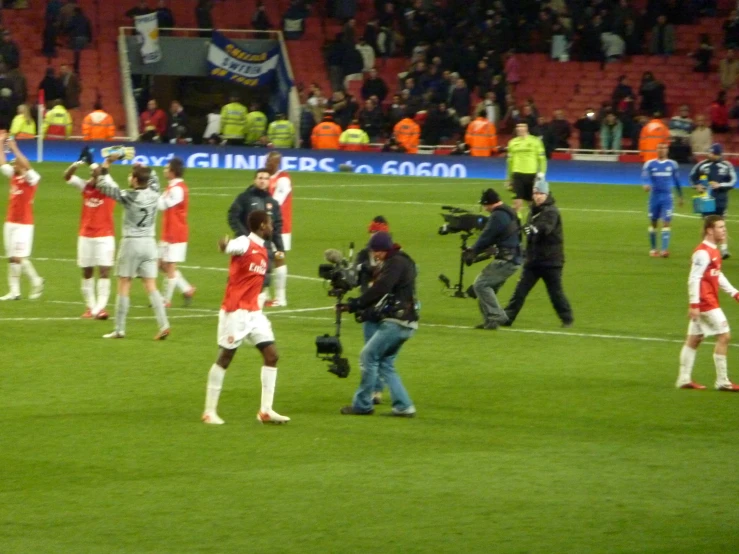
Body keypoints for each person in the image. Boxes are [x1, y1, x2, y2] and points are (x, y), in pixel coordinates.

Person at [201, 210, 290, 425]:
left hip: (253, 313)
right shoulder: (245, 243)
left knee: (272, 355)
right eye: (269, 224)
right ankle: (209, 411)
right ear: (261, 226)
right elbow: (232, 246)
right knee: (225, 358)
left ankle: (266, 411)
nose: (272, 227)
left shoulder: (263, 250)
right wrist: (225, 245)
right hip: (235, 312)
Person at [339, 231, 418, 417]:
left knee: (368, 356)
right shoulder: (400, 260)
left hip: (397, 321)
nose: (374, 254)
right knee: (384, 363)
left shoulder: (396, 262)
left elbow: (382, 288)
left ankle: (363, 405)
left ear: (384, 249)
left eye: (376, 251)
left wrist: (356, 303)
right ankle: (404, 407)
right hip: (407, 321)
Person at [95, 154, 170, 340]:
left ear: (136, 180)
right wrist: (142, 166)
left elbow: (103, 185)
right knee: (151, 285)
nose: (129, 178)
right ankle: (164, 324)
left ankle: (119, 329)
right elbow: (154, 177)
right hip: (149, 244)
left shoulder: (128, 196)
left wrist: (108, 163)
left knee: (124, 283)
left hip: (131, 243)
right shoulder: (154, 192)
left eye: (131, 175)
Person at [676, 215, 739, 392]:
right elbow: (693, 278)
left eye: (724, 227)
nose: (724, 230)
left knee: (695, 339)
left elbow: (717, 275)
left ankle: (683, 379)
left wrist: (734, 292)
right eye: (720, 227)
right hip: (705, 303)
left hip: (707, 301)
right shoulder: (703, 253)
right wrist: (694, 305)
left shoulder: (714, 251)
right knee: (724, 336)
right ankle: (722, 382)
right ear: (709, 230)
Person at [503, 178, 573, 327]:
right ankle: (507, 318)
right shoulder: (533, 211)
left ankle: (567, 318)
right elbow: (530, 232)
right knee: (520, 292)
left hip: (551, 261)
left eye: (540, 193)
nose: (537, 196)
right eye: (535, 193)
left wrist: (532, 229)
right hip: (533, 261)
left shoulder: (552, 211)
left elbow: (544, 229)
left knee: (555, 293)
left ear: (546, 194)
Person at [63, 153, 115, 318]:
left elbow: (101, 175)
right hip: (85, 235)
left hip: (105, 236)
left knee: (105, 271)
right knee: (87, 272)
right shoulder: (85, 187)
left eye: (94, 176)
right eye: (91, 176)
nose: (92, 178)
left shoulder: (109, 187)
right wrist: (77, 163)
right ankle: (91, 307)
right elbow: (67, 176)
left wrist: (93, 165)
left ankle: (100, 308)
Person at [465, 188, 522, 330]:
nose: (484, 209)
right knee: (488, 287)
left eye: (484, 205)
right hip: (514, 258)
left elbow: (487, 236)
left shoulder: (497, 216)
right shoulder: (510, 212)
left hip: (505, 260)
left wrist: (473, 251)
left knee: (481, 285)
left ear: (489, 203)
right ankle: (490, 322)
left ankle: (497, 316)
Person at [227, 168, 284, 308]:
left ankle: (255, 308)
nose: (262, 180)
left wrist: (280, 247)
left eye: (265, 178)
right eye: (260, 178)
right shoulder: (244, 198)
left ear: (269, 181)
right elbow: (232, 216)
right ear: (255, 180)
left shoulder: (273, 203)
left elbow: (276, 226)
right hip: (247, 248)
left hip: (265, 247)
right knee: (242, 277)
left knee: (262, 279)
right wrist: (244, 236)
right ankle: (239, 306)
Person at [0, 133, 44, 301]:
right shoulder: (13, 176)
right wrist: (1, 142)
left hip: (24, 224)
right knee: (11, 258)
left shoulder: (32, 178)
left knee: (18, 257)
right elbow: (2, 162)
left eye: (15, 162)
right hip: (10, 221)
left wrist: (14, 148)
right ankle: (15, 292)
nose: (13, 164)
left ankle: (36, 280)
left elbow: (27, 164)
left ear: (21, 165)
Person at [356, 216, 391, 404]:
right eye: (372, 233)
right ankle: (374, 390)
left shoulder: (393, 258)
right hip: (369, 308)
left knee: (378, 353)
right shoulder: (363, 254)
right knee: (370, 350)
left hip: (387, 309)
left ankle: (376, 390)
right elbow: (354, 276)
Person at [157, 157, 195, 308]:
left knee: (170, 267)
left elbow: (161, 205)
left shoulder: (178, 189)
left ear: (173, 172)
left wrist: (151, 192)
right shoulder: (171, 187)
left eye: (166, 169)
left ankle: (165, 301)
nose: (164, 171)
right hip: (168, 232)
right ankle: (187, 288)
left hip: (176, 234)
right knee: (161, 264)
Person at [690, 143, 737, 259]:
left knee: (721, 224)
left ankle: (724, 250)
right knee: (707, 225)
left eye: (712, 153)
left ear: (718, 154)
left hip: (721, 199)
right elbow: (692, 177)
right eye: (709, 152)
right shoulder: (702, 165)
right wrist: (697, 186)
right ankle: (705, 249)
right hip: (706, 199)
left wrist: (720, 185)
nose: (709, 155)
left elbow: (733, 181)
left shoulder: (726, 165)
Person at [642, 142, 683, 258]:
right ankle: (653, 249)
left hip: (667, 197)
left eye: (664, 148)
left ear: (667, 150)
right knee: (653, 222)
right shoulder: (649, 164)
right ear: (656, 149)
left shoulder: (672, 164)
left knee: (666, 221)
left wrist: (680, 196)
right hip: (654, 197)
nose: (662, 150)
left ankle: (664, 250)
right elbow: (645, 177)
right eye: (659, 148)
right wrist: (646, 184)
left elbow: (677, 181)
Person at [265, 151, 291, 307]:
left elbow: (276, 202)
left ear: (278, 163)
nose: (268, 163)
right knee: (265, 257)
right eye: (267, 160)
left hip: (280, 226)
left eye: (271, 161)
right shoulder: (266, 178)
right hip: (265, 225)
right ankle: (265, 294)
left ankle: (281, 298)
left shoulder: (283, 180)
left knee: (278, 258)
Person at [505, 123, 547, 212]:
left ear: (527, 128)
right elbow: (509, 162)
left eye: (522, 126)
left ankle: (534, 222)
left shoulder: (536, 141)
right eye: (518, 126)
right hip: (517, 175)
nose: (519, 128)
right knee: (516, 203)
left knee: (532, 204)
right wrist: (509, 178)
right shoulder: (512, 142)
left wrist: (542, 174)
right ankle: (516, 224)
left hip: (532, 175)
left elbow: (542, 159)